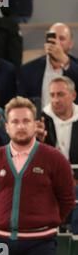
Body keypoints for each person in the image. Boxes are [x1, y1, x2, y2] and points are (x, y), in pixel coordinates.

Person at [0, 96, 75, 255]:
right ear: (7, 127)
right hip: (1, 241)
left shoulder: (55, 159)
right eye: (15, 121)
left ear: (35, 124)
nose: (21, 126)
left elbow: (67, 199)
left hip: (40, 242)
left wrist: (48, 220)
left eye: (26, 121)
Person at [37, 76, 78, 234]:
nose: (55, 100)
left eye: (60, 94)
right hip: (49, 180)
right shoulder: (40, 119)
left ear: (73, 95)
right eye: (52, 95)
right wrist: (37, 140)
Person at [18, 23, 78, 108]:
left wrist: (65, 61)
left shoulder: (75, 67)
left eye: (61, 39)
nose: (56, 43)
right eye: (53, 38)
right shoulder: (28, 70)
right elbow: (21, 103)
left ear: (70, 44)